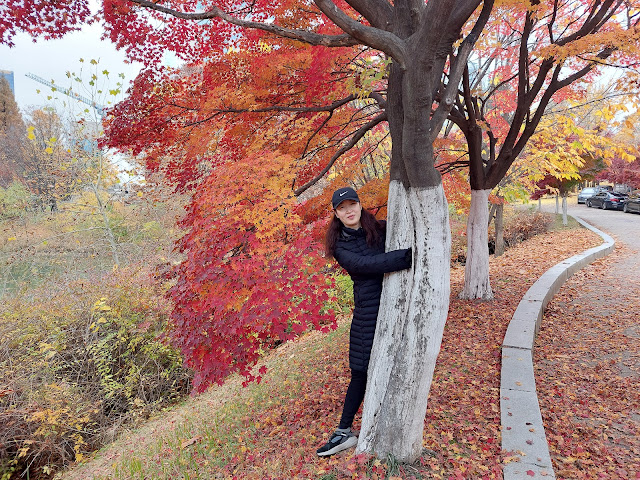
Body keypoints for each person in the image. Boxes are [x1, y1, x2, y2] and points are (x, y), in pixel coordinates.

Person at [316, 187, 412, 457]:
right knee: (360, 369)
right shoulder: (339, 246)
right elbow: (363, 265)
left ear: (359, 205)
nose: (349, 211)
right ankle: (343, 432)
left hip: (397, 306)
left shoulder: (380, 228)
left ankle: (388, 421)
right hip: (367, 311)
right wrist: (405, 258)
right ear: (335, 213)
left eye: (352, 204)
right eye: (342, 207)